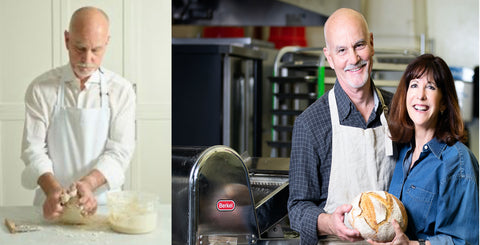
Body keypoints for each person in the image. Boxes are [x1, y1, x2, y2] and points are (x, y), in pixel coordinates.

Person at [288, 8, 396, 244]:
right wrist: (330, 224)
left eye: (359, 45)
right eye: (342, 50)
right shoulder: (311, 124)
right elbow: (297, 208)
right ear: (329, 57)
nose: (353, 59)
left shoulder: (398, 110)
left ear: (372, 43)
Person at [20, 7, 136, 220]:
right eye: (80, 48)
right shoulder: (41, 88)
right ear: (66, 40)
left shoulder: (121, 90)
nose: (87, 58)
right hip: (52, 206)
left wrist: (89, 184)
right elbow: (33, 149)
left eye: (96, 50)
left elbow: (119, 152)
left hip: (103, 208)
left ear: (106, 43)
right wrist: (53, 190)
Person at [372, 54, 478, 245]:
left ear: (444, 102)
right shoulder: (402, 152)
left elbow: (466, 241)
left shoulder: (458, 161)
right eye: (414, 85)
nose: (420, 95)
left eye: (430, 87)